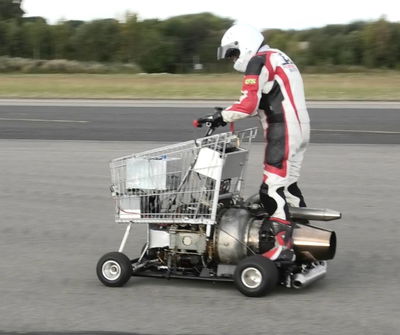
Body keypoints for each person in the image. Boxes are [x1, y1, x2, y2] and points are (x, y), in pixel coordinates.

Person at [213, 23, 310, 261]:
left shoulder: (257, 61)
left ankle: (281, 249)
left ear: (244, 44)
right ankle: (306, 238)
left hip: (282, 131)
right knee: (289, 188)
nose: (234, 59)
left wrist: (221, 116)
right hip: (300, 129)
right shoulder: (279, 56)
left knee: (271, 191)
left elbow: (248, 104)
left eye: (234, 53)